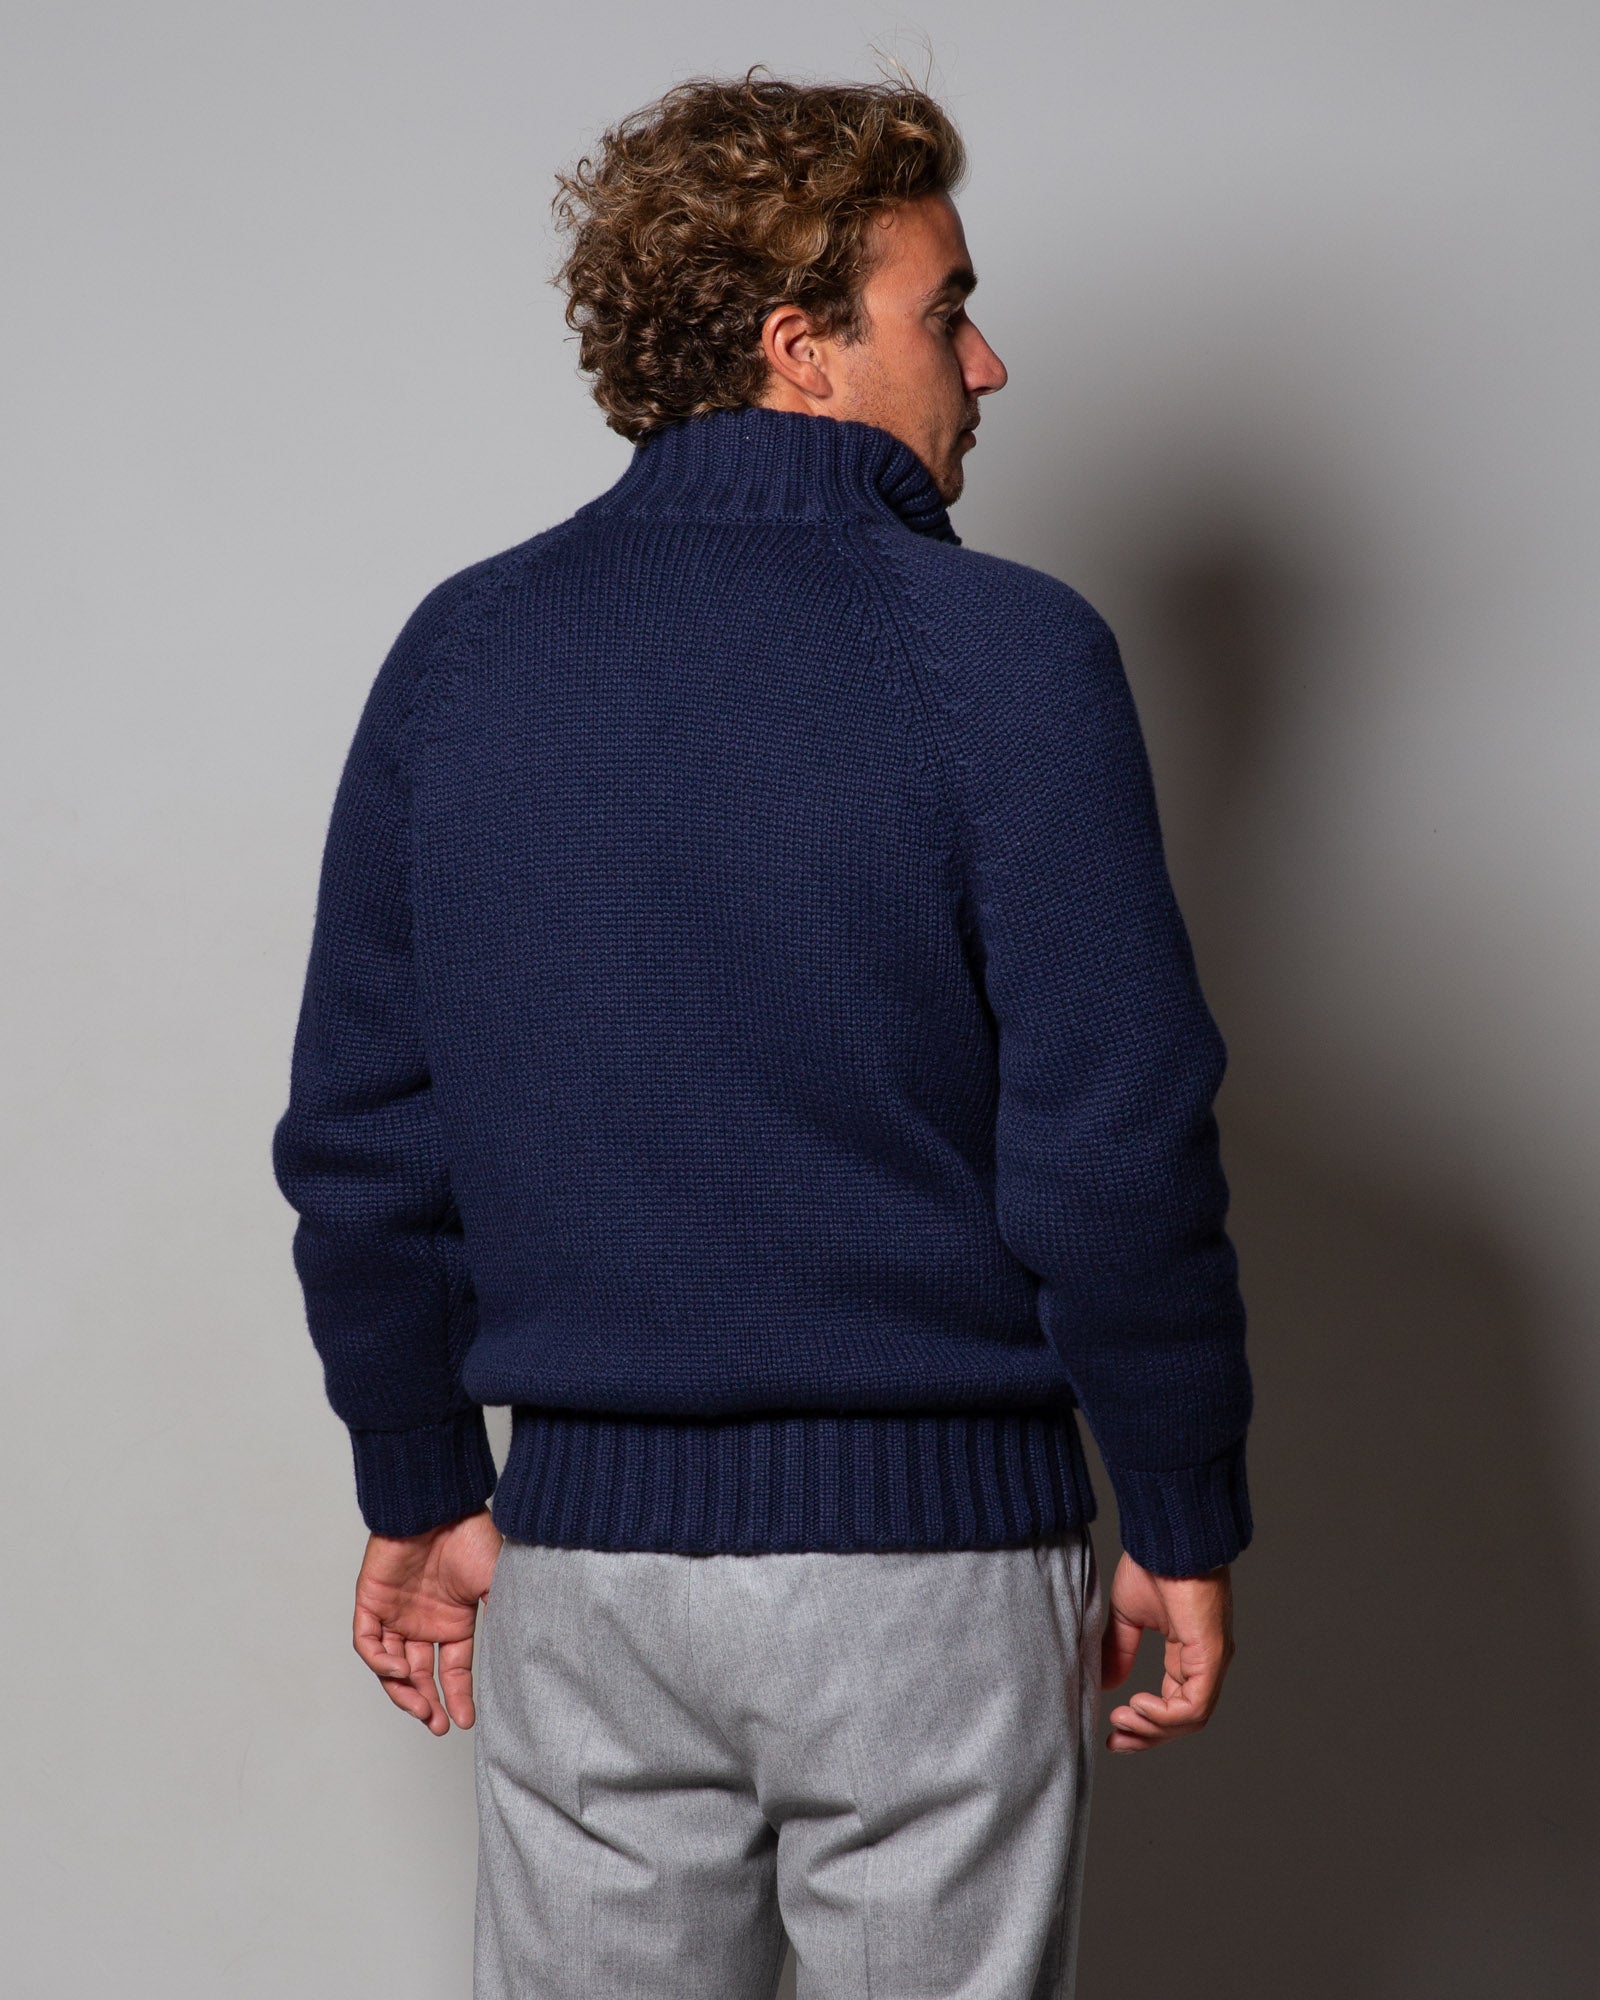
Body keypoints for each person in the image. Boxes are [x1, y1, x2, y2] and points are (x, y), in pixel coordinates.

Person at [271, 63, 1255, 2000]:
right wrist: (1181, 1500)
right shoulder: (1007, 656)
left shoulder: (466, 648)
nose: (986, 363)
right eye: (943, 310)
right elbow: (1113, 1146)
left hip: (587, 1581)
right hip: (931, 1578)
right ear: (801, 348)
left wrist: (420, 1477)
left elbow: (364, 1134)